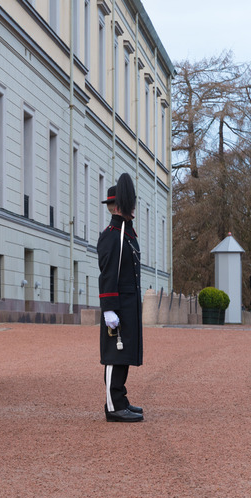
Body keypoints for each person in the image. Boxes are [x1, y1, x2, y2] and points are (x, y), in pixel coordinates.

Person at [98, 173, 144, 423]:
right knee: (114, 356)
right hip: (117, 305)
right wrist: (109, 308)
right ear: (117, 207)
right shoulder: (112, 235)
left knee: (124, 354)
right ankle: (113, 405)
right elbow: (107, 275)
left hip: (127, 305)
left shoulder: (126, 233)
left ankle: (120, 399)